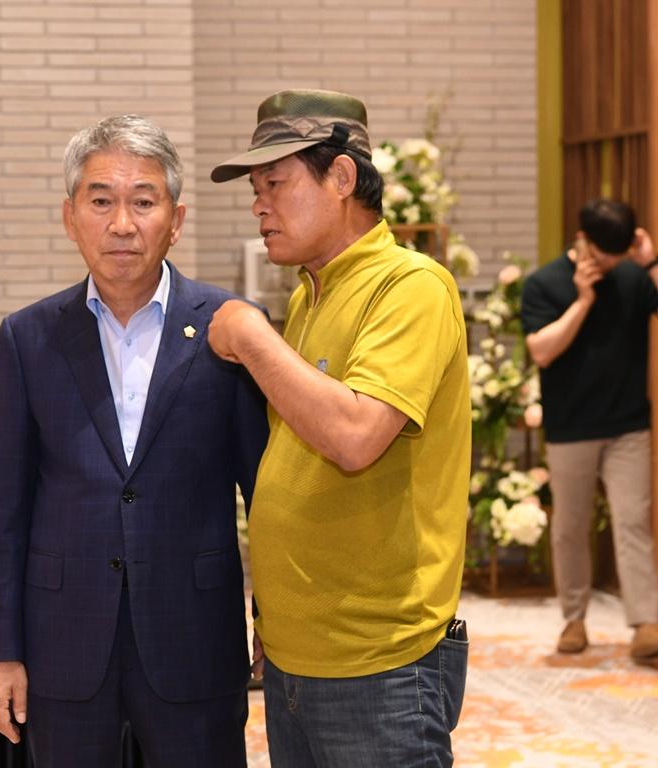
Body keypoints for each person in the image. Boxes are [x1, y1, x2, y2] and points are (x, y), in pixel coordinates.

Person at [0, 114, 268, 767]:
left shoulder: (231, 329)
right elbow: (6, 511)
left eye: (143, 201)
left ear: (176, 218)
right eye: (101, 200)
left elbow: (267, 493)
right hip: (64, 644)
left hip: (196, 636)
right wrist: (1, 650)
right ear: (69, 215)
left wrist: (272, 617)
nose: (121, 223)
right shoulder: (28, 338)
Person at [208, 89, 472, 767]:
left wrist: (251, 335)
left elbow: (355, 437)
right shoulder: (311, 292)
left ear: (343, 177)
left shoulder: (411, 286)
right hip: (300, 656)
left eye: (276, 183)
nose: (258, 204)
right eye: (255, 188)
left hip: (380, 663)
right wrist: (275, 614)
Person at [521, 198, 658, 660]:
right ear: (584, 239)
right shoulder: (544, 282)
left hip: (628, 425)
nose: (612, 264)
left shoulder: (635, 274)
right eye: (606, 254)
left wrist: (651, 261)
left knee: (633, 520)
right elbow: (541, 350)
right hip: (571, 425)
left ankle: (647, 626)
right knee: (571, 527)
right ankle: (574, 619)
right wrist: (582, 302)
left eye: (620, 255)